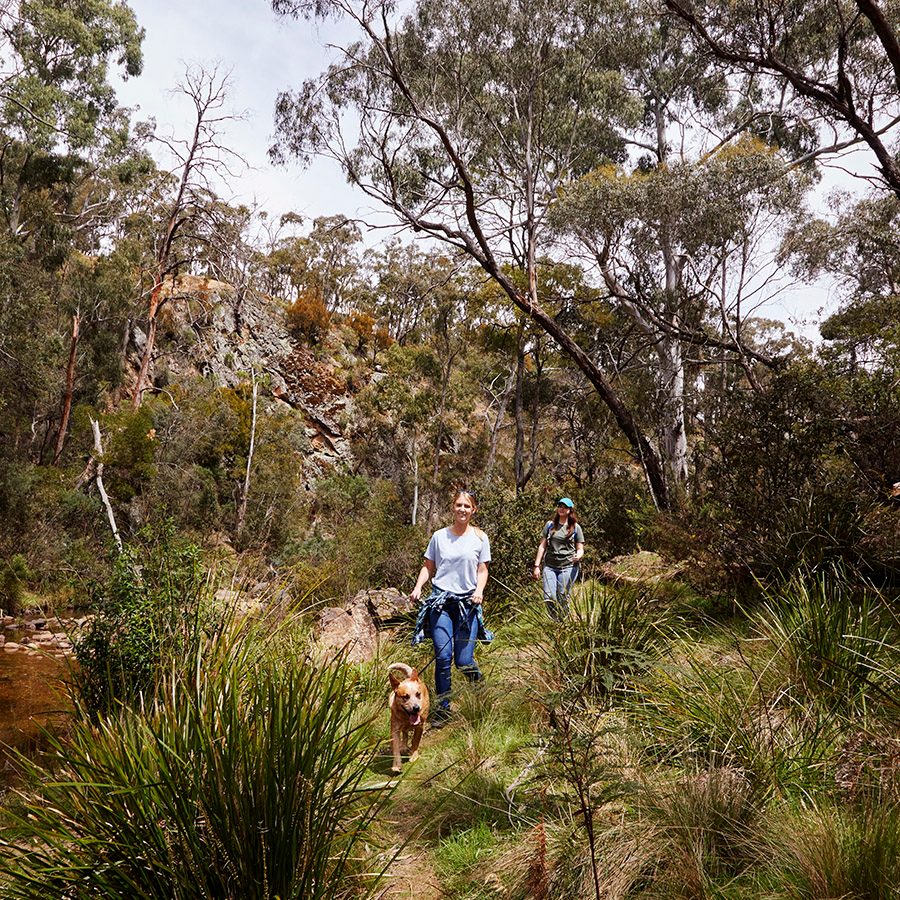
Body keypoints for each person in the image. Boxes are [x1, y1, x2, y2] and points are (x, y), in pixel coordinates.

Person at [410, 489, 492, 726]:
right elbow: (428, 566)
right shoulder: (439, 537)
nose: (462, 510)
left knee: (464, 660)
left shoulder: (480, 538)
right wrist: (418, 587)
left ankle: (479, 687)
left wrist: (479, 591)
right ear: (452, 508)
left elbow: (482, 570)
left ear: (473, 510)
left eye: (467, 506)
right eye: (458, 505)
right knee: (443, 656)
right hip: (441, 604)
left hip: (467, 604)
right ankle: (443, 708)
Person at [532, 497, 584, 618]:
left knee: (562, 596)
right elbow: (542, 545)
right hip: (550, 566)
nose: (561, 508)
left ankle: (564, 621)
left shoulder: (576, 528)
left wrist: (578, 555)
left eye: (565, 507)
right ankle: (554, 620)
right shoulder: (550, 525)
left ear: (570, 510)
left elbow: (580, 548)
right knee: (549, 596)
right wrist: (536, 566)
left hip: (568, 567)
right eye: (560, 506)